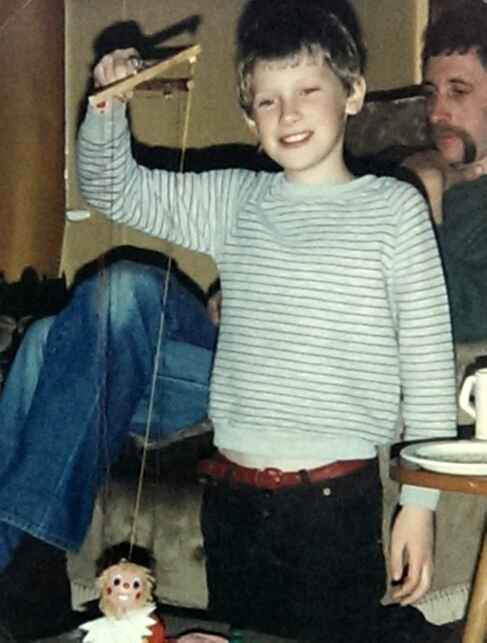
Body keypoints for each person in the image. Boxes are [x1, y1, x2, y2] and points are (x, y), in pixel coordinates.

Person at [77, 1, 457, 640]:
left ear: (352, 93)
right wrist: (107, 106)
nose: (289, 114)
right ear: (250, 116)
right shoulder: (237, 200)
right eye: (268, 101)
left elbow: (427, 367)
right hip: (231, 500)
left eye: (308, 91)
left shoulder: (395, 210)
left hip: (331, 506)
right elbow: (114, 189)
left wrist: (419, 504)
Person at [0, 246, 218, 572]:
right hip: (201, 337)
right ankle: (19, 565)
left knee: (123, 286)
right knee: (44, 336)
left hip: (236, 369)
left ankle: (29, 549)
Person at [400, 1, 487, 344]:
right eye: (430, 94)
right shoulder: (402, 168)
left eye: (458, 91)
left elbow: (465, 319)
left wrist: (426, 199)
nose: (437, 113)